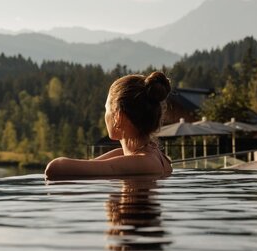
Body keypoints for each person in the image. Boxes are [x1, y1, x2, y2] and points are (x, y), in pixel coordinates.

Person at [44, 71, 172, 179]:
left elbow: (54, 169)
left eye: (106, 109)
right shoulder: (152, 156)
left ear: (118, 116)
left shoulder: (143, 162)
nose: (105, 115)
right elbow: (89, 165)